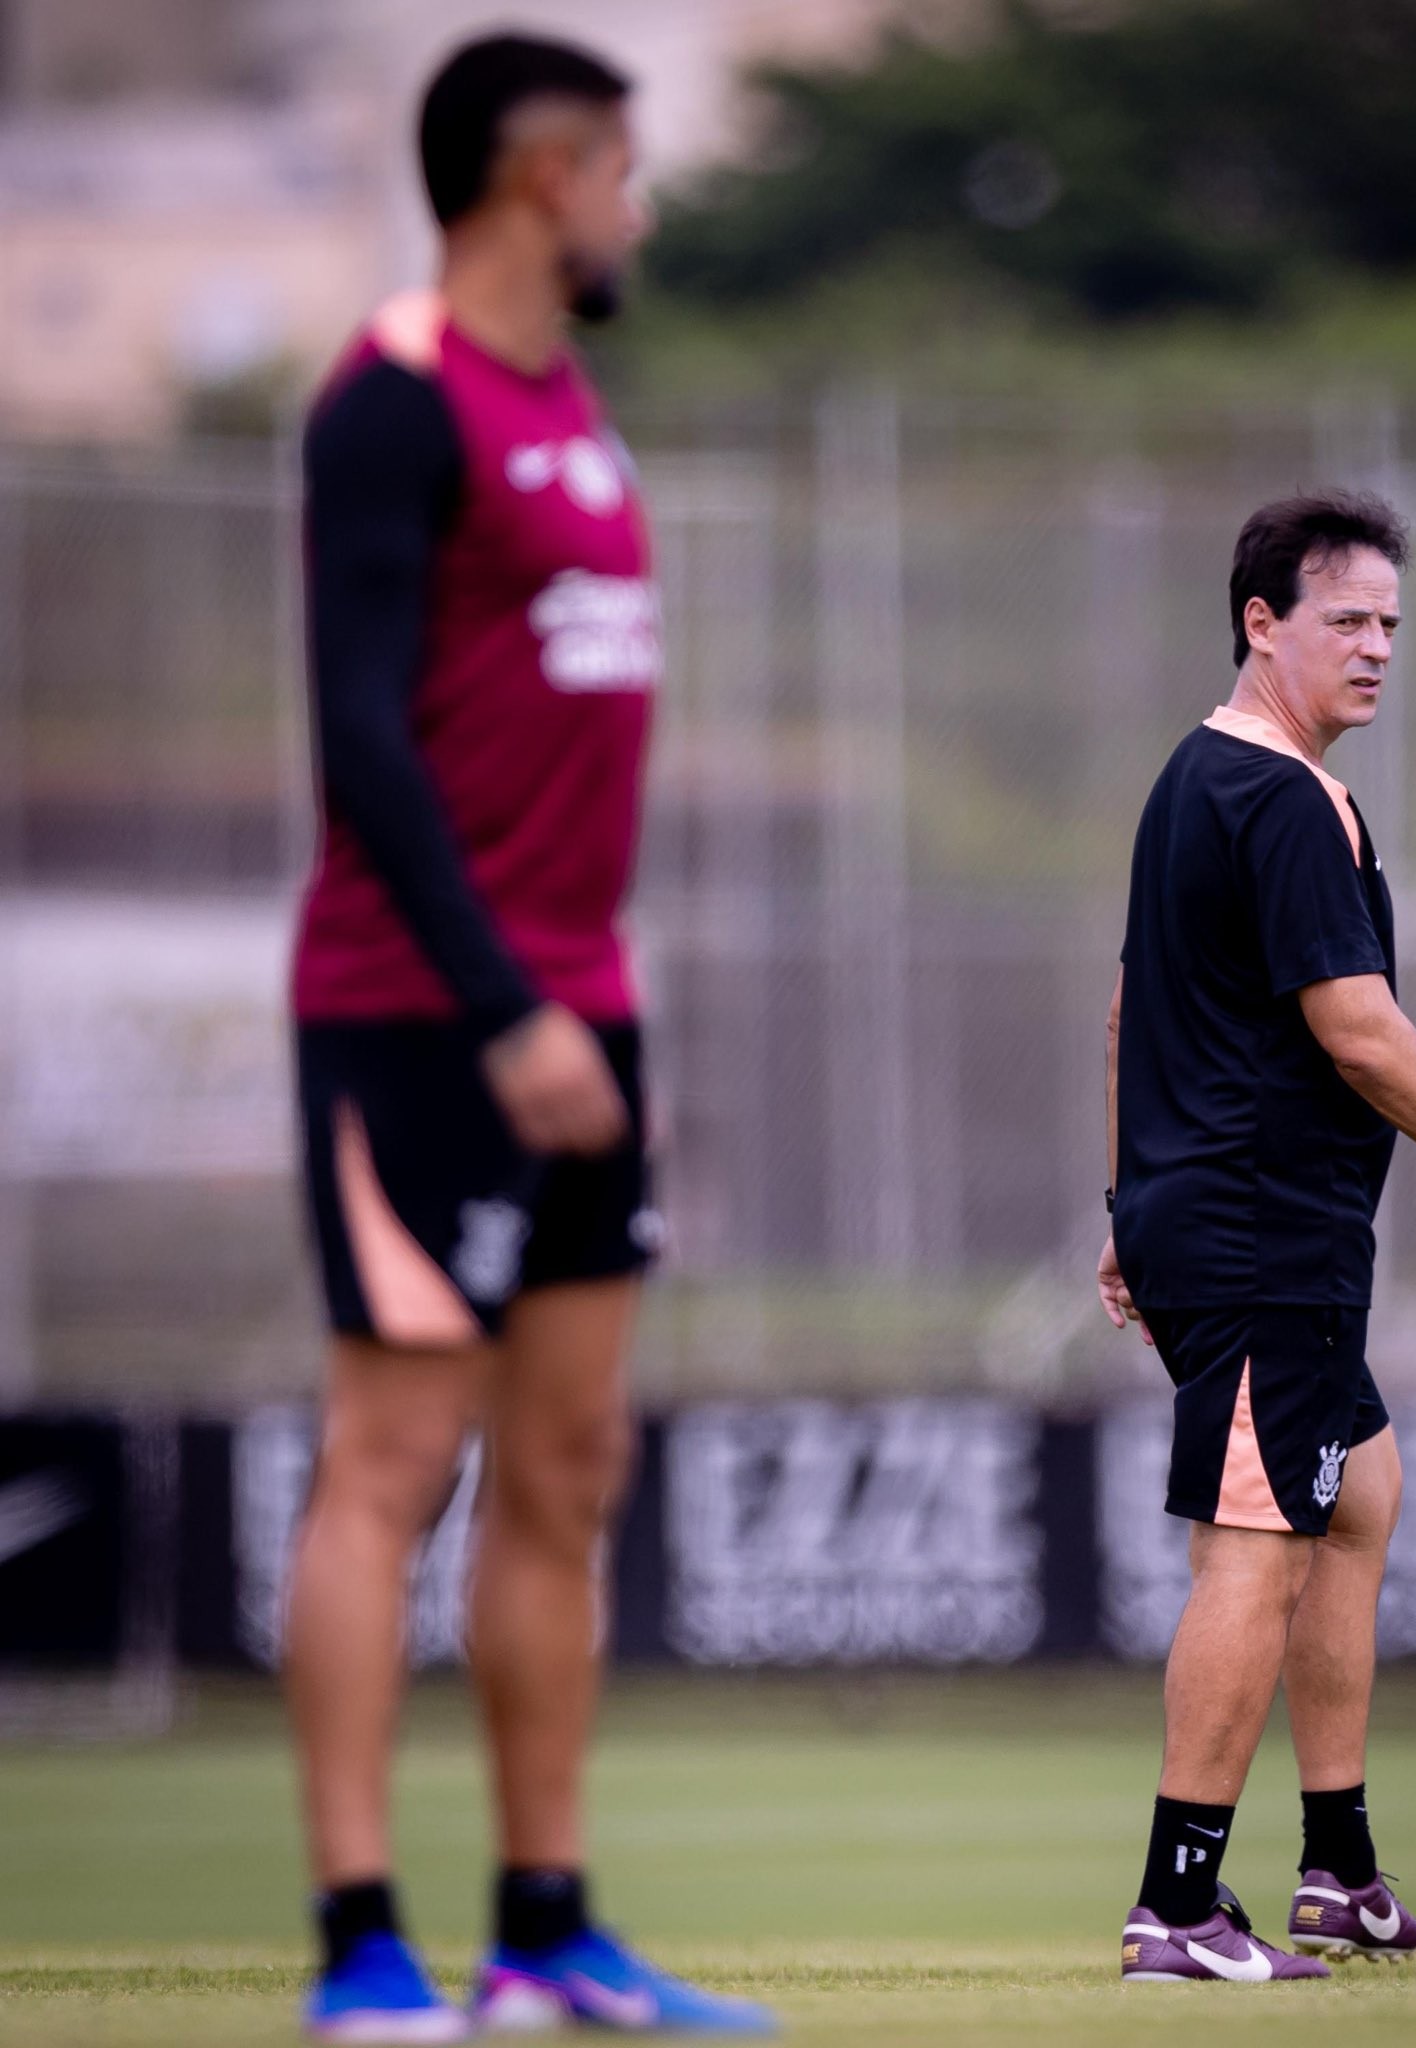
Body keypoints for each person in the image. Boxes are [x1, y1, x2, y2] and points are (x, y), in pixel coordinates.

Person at [285, 32, 774, 2041]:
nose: (634, 206)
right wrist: (500, 1013)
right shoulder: (392, 395)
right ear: (533, 172)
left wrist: (576, 1010)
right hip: (422, 1015)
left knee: (569, 1461)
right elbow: (362, 737)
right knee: (392, 1457)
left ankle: (544, 1935)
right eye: (620, 170)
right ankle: (359, 1948)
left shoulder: (573, 409)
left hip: (586, 1013)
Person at [1098, 490, 1416, 1986]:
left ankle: (1340, 1869)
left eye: (1389, 626)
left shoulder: (1200, 776)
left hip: (1212, 1215)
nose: (1375, 650)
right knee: (1255, 1542)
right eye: (1345, 621)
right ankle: (1177, 1902)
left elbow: (1134, 1008)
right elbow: (1357, 1030)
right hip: (1258, 1230)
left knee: (1357, 1493)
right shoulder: (1281, 799)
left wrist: (1125, 1203)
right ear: (1261, 621)